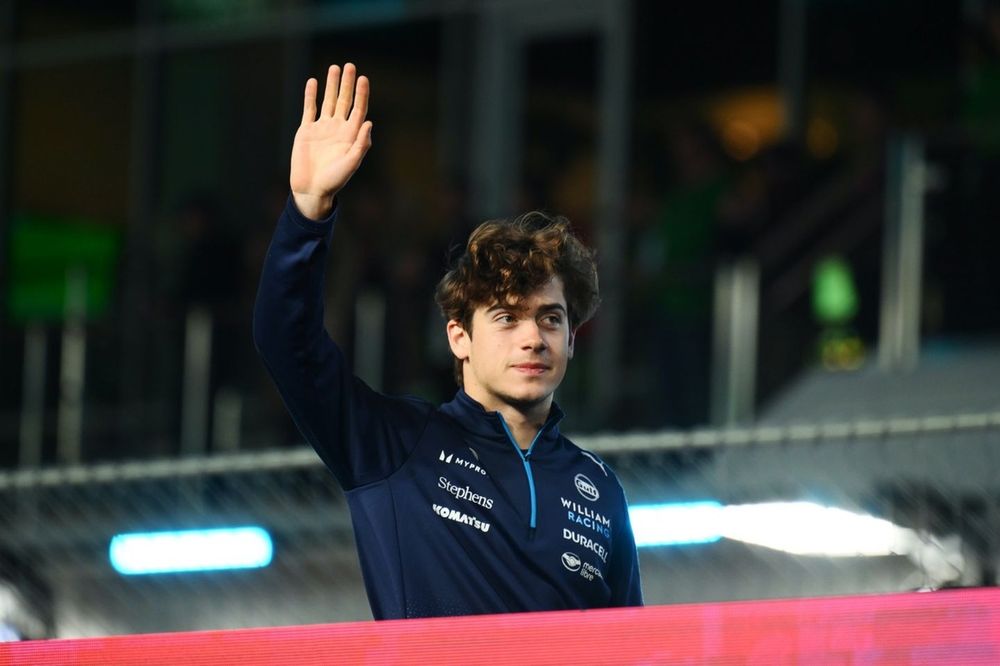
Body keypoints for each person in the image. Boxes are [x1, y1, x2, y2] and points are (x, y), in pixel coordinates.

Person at [253, 63, 642, 619]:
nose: (533, 338)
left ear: (573, 338)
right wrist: (308, 213)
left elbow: (629, 648)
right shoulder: (394, 445)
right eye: (507, 318)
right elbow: (283, 339)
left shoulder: (601, 490)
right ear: (459, 337)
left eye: (551, 319)